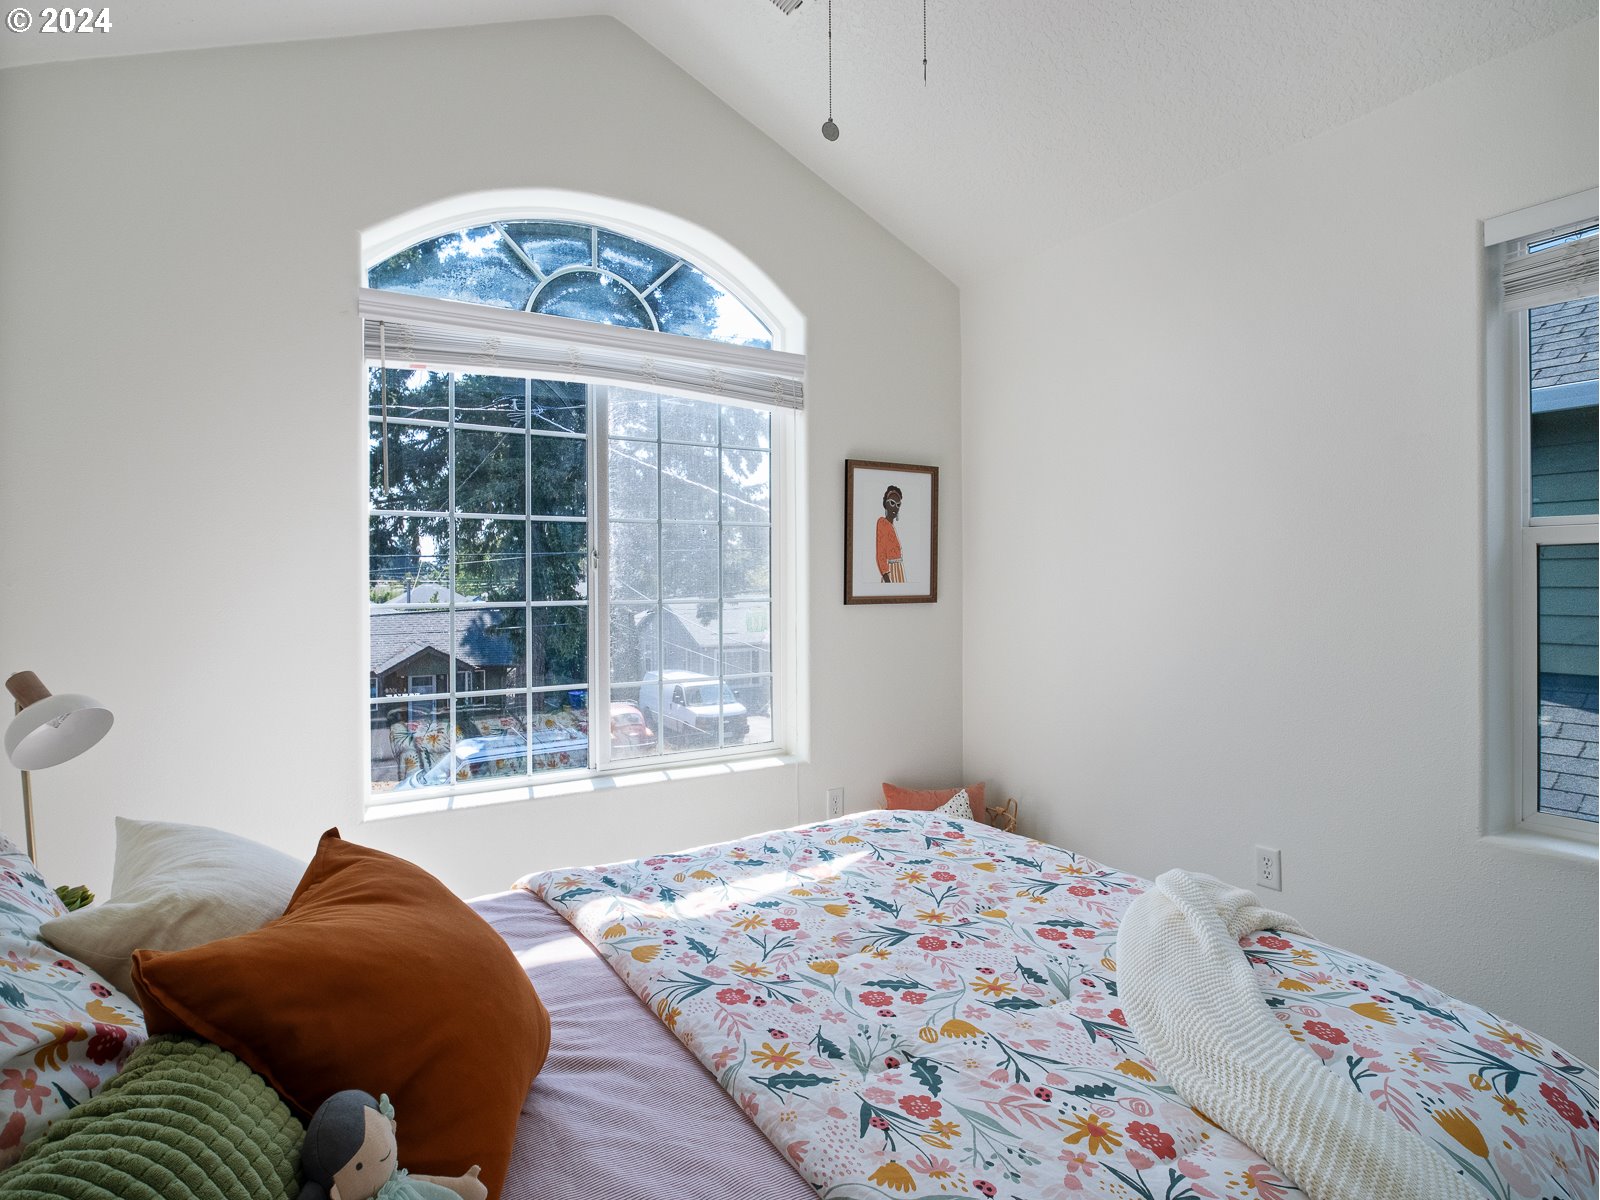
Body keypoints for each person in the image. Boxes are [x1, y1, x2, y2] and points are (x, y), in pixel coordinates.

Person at [875, 484, 905, 583]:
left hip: (899, 571)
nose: (895, 507)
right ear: (885, 504)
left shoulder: (892, 526)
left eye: (898, 505)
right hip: (890, 573)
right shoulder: (882, 523)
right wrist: (887, 578)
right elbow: (880, 554)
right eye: (892, 503)